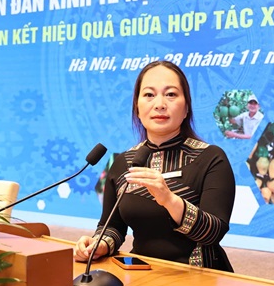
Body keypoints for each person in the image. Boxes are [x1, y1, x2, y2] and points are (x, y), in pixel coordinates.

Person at [73, 60, 236, 271]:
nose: (159, 104)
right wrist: (100, 244)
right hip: (141, 273)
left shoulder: (211, 157)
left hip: (200, 275)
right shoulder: (123, 162)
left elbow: (214, 233)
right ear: (137, 108)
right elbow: (112, 227)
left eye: (171, 94)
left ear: (186, 108)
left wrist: (169, 200)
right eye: (149, 95)